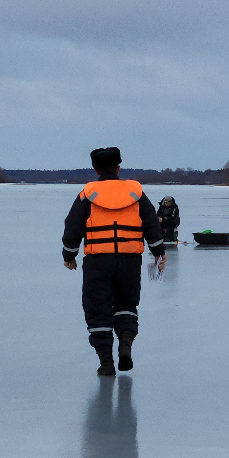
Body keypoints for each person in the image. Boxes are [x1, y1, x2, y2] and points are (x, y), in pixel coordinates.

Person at [62, 147, 167, 375]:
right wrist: (159, 251)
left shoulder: (87, 195)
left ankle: (106, 362)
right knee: (126, 305)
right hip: (130, 261)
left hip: (97, 262)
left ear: (96, 169)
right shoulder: (136, 194)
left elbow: (73, 226)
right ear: (119, 167)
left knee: (97, 309)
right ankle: (126, 346)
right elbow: (151, 223)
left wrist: (69, 255)